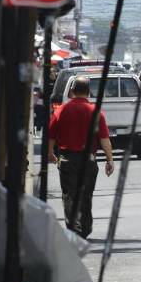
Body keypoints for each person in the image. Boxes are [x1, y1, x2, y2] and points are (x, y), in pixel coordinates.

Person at [48, 76, 114, 238]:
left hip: (67, 159)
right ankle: (85, 228)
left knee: (70, 195)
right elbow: (104, 139)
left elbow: (51, 136)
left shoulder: (61, 110)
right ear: (89, 91)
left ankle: (74, 230)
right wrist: (109, 160)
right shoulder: (96, 112)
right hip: (89, 160)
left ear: (71, 91)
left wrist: (50, 153)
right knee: (86, 194)